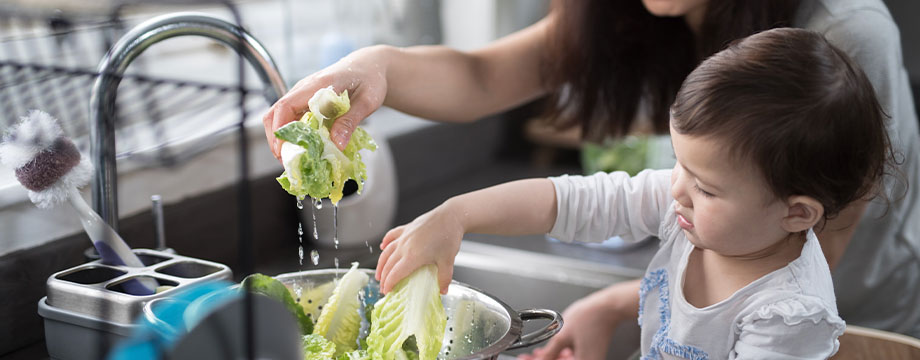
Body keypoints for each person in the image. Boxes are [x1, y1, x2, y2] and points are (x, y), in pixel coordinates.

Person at [263, 0, 920, 355]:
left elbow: (797, 263)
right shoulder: (690, 195)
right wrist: (373, 67)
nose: (675, 188)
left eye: (703, 181)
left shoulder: (842, 39)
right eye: (681, 170)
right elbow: (500, 95)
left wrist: (617, 305)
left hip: (861, 325)